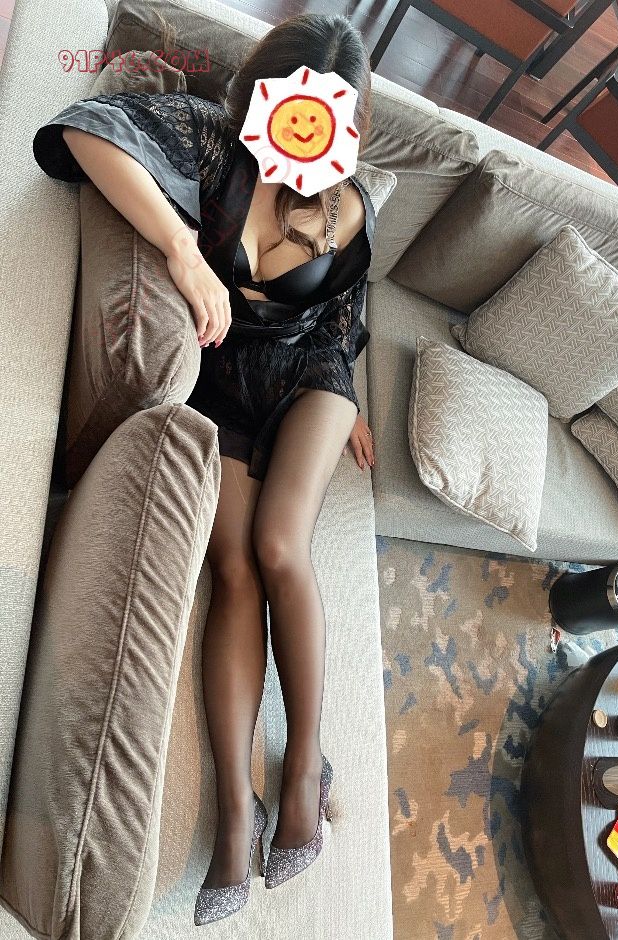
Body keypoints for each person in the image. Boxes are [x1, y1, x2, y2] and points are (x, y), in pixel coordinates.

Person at [32, 11, 377, 926]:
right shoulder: (212, 141)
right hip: (223, 384)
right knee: (231, 567)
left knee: (279, 547)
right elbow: (82, 132)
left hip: (311, 380)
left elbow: (344, 316)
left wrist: (356, 406)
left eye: (333, 113)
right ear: (265, 91)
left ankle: (301, 771)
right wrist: (183, 252)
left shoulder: (345, 196)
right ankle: (235, 810)